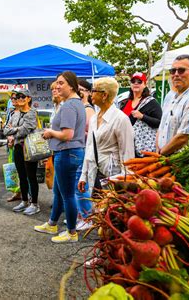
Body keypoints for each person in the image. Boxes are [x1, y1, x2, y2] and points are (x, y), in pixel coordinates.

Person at [34, 71, 86, 243]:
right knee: (58, 191)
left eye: (61, 83)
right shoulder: (75, 103)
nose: (57, 86)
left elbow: (67, 134)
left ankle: (72, 232)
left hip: (67, 152)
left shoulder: (70, 105)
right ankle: (52, 224)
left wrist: (50, 133)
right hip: (69, 152)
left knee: (68, 195)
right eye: (56, 82)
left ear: (71, 86)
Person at [78, 77, 134, 195]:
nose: (90, 94)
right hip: (95, 173)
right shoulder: (94, 118)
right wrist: (84, 175)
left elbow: (127, 154)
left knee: (110, 209)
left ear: (104, 95)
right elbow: (89, 148)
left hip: (114, 176)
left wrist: (126, 183)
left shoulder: (121, 119)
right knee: (97, 209)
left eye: (94, 91)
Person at [3, 89, 40, 215]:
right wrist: (14, 130)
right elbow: (5, 130)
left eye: (22, 96)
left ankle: (34, 204)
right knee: (21, 176)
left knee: (31, 176)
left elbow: (25, 130)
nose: (19, 99)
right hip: (18, 147)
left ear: (29, 98)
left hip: (30, 149)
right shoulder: (15, 114)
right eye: (17, 96)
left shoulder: (32, 113)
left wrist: (13, 130)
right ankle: (24, 201)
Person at [119, 72, 162, 155]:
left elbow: (160, 123)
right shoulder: (124, 102)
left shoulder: (151, 102)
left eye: (139, 82)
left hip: (143, 147)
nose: (136, 84)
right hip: (126, 145)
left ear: (145, 85)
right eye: (133, 81)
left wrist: (142, 116)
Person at [74, 79, 95, 231]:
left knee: (81, 185)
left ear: (88, 92)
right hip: (78, 149)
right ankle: (82, 215)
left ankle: (87, 217)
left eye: (82, 89)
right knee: (77, 185)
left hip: (83, 150)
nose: (79, 91)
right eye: (77, 88)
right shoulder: (79, 108)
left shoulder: (88, 109)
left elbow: (91, 134)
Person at [4, 94, 22, 203]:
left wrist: (13, 134)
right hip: (11, 145)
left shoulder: (26, 112)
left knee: (23, 171)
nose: (13, 100)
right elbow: (6, 128)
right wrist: (9, 137)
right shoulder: (11, 113)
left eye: (15, 98)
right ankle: (16, 192)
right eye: (12, 98)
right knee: (13, 169)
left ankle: (27, 195)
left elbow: (22, 129)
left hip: (21, 144)